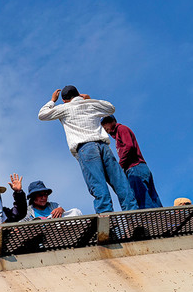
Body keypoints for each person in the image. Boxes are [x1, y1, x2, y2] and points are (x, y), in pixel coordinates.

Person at [37, 85, 137, 213]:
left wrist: (52, 100)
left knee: (98, 184)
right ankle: (133, 216)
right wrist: (89, 100)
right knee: (120, 182)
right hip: (103, 146)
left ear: (64, 100)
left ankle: (105, 216)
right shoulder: (89, 104)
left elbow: (42, 114)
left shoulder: (64, 107)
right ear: (78, 94)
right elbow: (111, 108)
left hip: (86, 148)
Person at [100, 116, 162, 209]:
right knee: (153, 198)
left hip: (135, 168)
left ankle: (149, 222)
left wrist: (120, 166)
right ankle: (159, 220)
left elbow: (129, 147)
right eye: (102, 125)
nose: (104, 127)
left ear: (113, 121)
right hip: (140, 168)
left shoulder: (121, 129)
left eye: (106, 123)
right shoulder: (118, 135)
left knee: (143, 200)